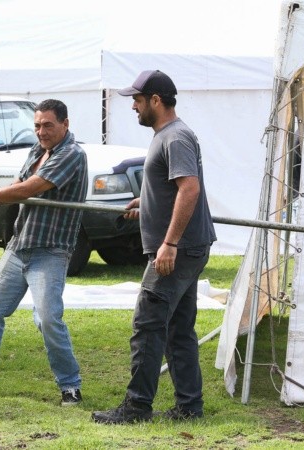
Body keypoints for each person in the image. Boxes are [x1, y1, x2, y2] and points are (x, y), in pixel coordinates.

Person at [0, 99, 88, 406]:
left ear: (65, 123)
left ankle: (70, 387)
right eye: (37, 125)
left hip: (50, 251)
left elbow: (28, 189)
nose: (41, 132)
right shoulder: (37, 151)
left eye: (48, 125)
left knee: (48, 320)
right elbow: (19, 183)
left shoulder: (73, 154)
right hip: (19, 246)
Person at [92, 70, 217, 424]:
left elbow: (189, 189)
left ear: (156, 100)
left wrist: (170, 244)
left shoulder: (174, 137)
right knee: (178, 328)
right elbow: (169, 186)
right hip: (187, 246)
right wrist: (143, 202)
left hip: (179, 250)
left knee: (147, 323)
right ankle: (189, 407)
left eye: (137, 99)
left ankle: (136, 408)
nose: (133, 106)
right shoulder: (168, 135)